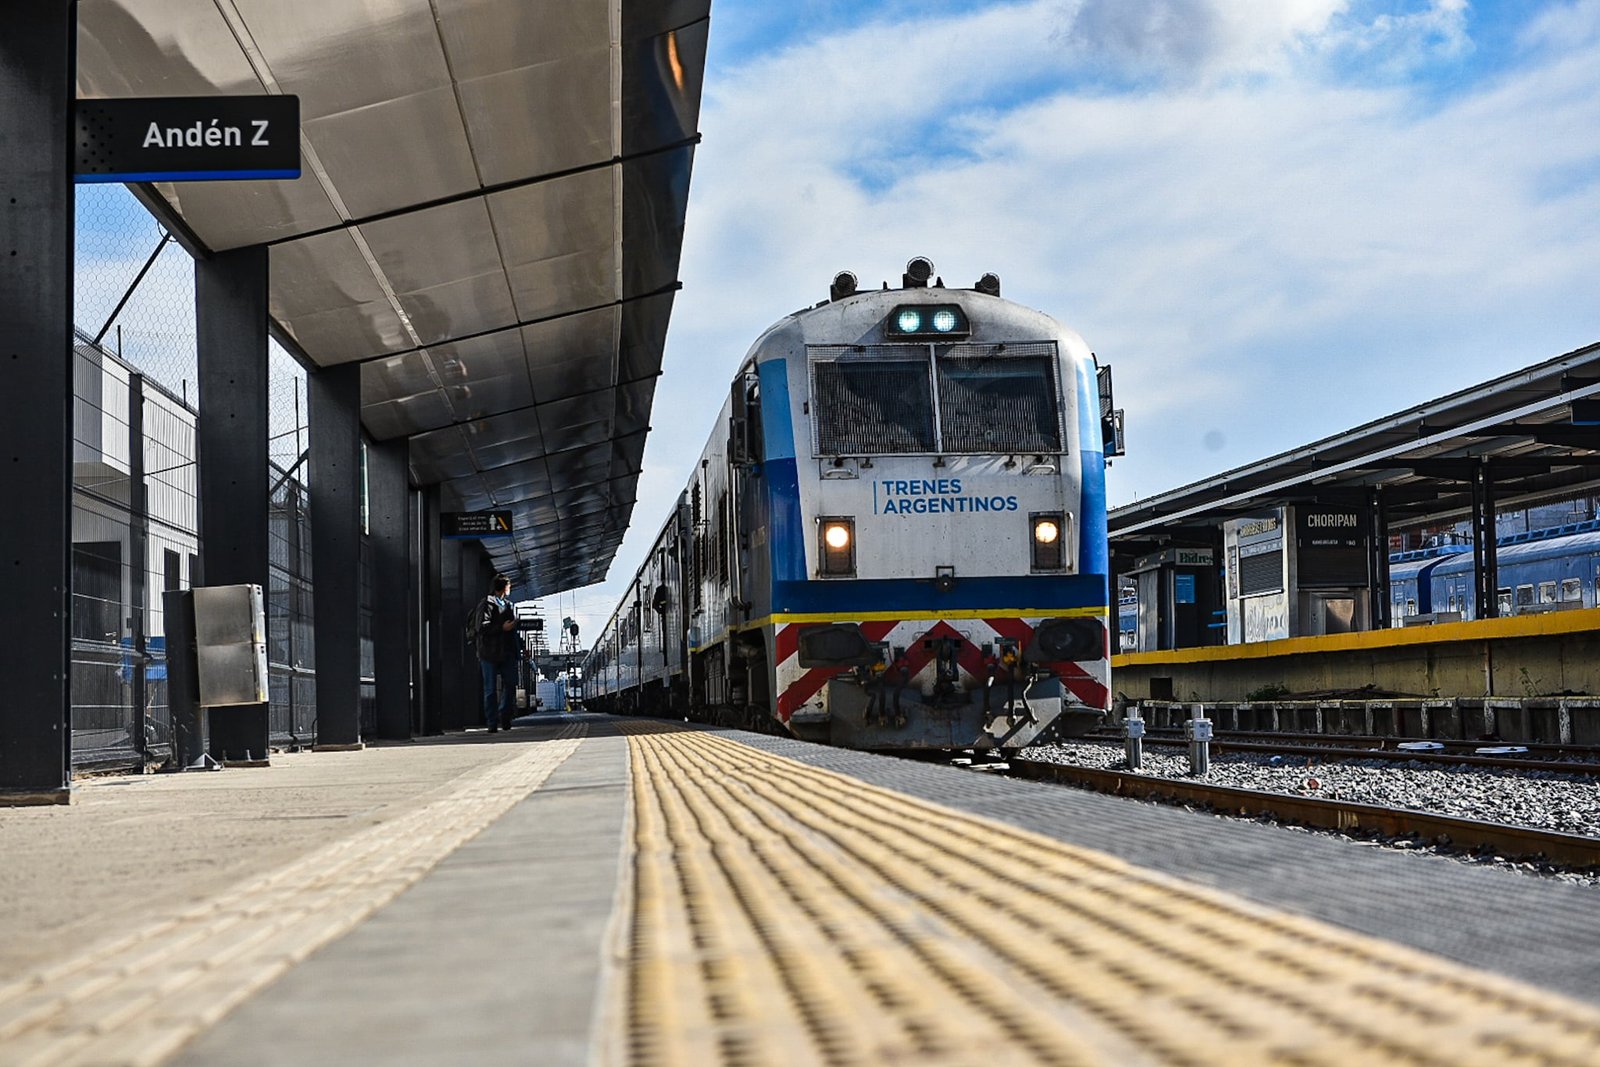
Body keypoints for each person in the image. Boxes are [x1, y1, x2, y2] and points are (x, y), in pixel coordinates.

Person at [476, 575, 519, 733]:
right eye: (509, 585)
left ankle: (504, 713)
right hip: (489, 652)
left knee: (511, 684)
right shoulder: (487, 604)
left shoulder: (509, 605)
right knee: (490, 689)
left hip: (507, 651)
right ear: (503, 587)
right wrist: (502, 627)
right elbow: (481, 627)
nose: (510, 588)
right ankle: (492, 722)